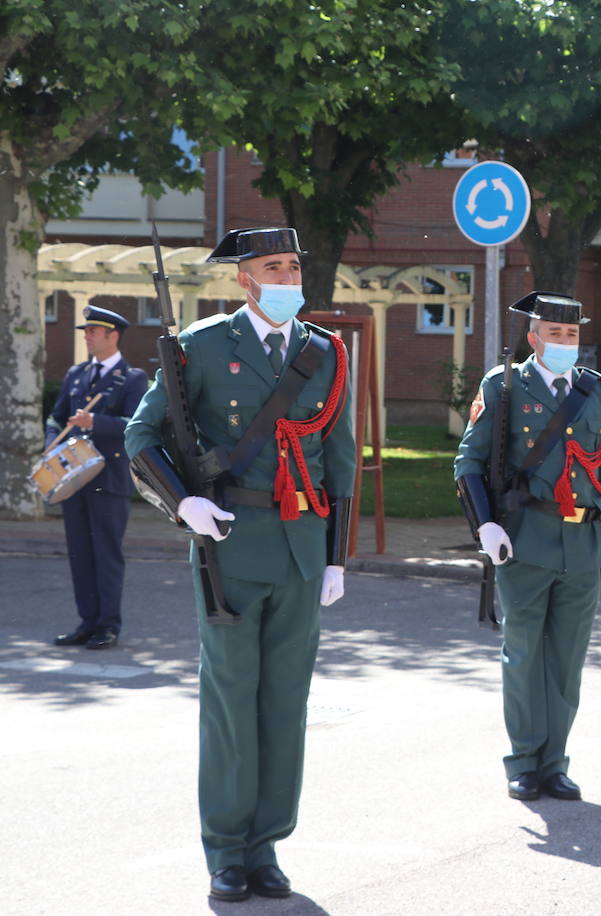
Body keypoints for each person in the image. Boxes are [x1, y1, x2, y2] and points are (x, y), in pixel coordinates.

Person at [125, 227, 355, 902]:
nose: (287, 276)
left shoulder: (325, 352)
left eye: (292, 264)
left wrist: (337, 557)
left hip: (302, 549)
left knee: (286, 702)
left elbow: (339, 463)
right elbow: (142, 436)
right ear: (243, 280)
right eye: (272, 267)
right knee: (230, 701)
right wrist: (184, 504)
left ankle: (266, 846)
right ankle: (225, 850)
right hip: (229, 544)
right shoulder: (202, 346)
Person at [455, 291, 601, 803]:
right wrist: (485, 525)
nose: (564, 342)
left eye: (572, 334)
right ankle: (524, 760)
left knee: (566, 659)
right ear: (534, 338)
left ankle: (555, 762)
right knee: (524, 656)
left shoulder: (597, 391)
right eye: (555, 334)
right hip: (524, 540)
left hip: (581, 545)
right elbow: (468, 462)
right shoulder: (505, 385)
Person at [46, 306, 149, 650]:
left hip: (109, 478)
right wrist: (51, 446)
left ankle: (108, 625)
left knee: (106, 553)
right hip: (73, 477)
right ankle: (87, 622)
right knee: (79, 553)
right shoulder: (76, 374)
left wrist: (96, 423)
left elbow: (136, 426)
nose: (87, 337)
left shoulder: (132, 378)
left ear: (112, 335)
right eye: (86, 331)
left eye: (93, 331)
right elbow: (56, 419)